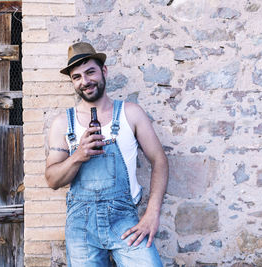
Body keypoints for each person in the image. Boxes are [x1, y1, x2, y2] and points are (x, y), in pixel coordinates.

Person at [45, 42, 169, 267]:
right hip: (81, 228)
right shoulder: (62, 123)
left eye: (90, 72)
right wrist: (77, 155)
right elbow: (52, 180)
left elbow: (159, 160)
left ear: (104, 71)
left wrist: (152, 213)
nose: (85, 81)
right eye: (77, 77)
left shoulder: (130, 114)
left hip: (125, 221)